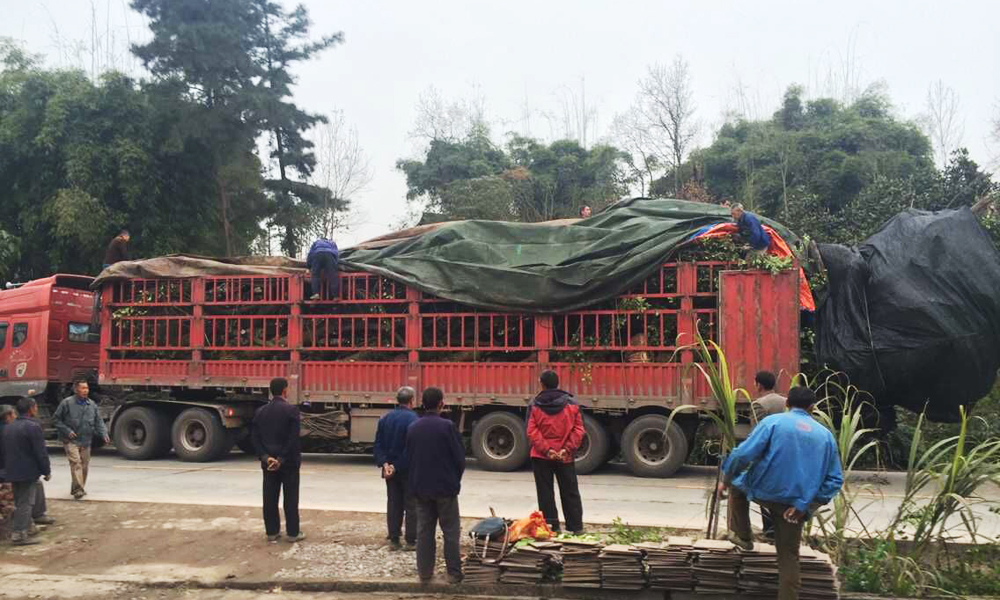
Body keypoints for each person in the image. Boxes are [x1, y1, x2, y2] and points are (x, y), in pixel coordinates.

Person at [720, 386, 843, 600]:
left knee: (737, 485)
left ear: (787, 404)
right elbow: (835, 480)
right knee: (789, 557)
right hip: (794, 507)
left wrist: (725, 481)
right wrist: (805, 506)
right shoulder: (825, 436)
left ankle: (743, 536)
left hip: (765, 492)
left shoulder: (772, 423)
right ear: (812, 408)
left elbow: (742, 455)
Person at [404, 387, 464, 584]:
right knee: (450, 531)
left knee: (424, 531)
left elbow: (409, 458)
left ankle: (424, 573)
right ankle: (453, 573)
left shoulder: (413, 427)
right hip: (445, 488)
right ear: (441, 404)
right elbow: (459, 459)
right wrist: (455, 480)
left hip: (421, 489)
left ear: (422, 404)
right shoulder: (448, 427)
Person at [526, 370, 585, 534]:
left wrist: (548, 450)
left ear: (542, 384)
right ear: (557, 383)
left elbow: (531, 431)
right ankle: (576, 527)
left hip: (541, 456)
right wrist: (566, 449)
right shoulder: (572, 403)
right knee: (570, 491)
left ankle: (552, 526)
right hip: (565, 457)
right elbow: (579, 430)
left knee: (545, 492)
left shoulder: (535, 404)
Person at [251, 377, 304, 543]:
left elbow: (255, 438)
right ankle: (293, 533)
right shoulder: (291, 411)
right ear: (284, 390)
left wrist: (266, 457)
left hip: (268, 463)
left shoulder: (260, 412)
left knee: (269, 497)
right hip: (288, 462)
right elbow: (293, 439)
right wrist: (281, 458)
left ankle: (272, 532)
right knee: (291, 498)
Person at [373, 386, 419, 551]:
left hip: (389, 471)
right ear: (412, 400)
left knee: (393, 503)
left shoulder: (385, 418)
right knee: (411, 504)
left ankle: (394, 539)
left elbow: (378, 444)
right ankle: (411, 540)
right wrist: (396, 466)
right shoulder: (414, 420)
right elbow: (411, 449)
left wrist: (385, 464)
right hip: (407, 469)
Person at [3, 398, 52, 545]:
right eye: (35, 407)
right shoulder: (32, 427)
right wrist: (46, 471)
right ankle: (19, 535)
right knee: (25, 503)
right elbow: (40, 452)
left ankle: (22, 530)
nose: (36, 409)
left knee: (20, 501)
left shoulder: (9, 427)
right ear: (31, 409)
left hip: (12, 471)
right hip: (27, 472)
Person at [53, 378, 110, 499]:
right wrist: (67, 431)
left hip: (86, 440)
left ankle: (78, 488)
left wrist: (104, 433)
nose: (86, 390)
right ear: (76, 390)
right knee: (76, 463)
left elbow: (98, 421)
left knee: (84, 466)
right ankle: (78, 490)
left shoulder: (91, 405)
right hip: (71, 440)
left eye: (87, 388)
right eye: (83, 388)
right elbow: (56, 419)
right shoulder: (66, 403)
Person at [748, 370, 787, 540]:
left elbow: (758, 434)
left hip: (768, 456)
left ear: (759, 385)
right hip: (785, 454)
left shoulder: (759, 404)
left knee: (766, 493)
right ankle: (780, 531)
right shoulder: (786, 402)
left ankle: (770, 531)